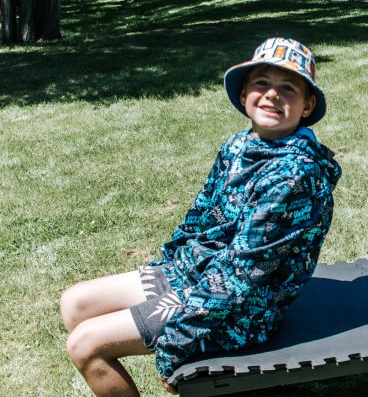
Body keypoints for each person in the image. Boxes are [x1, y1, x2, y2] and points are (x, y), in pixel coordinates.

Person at [60, 38, 342, 396]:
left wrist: (176, 343)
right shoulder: (239, 145)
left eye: (288, 88)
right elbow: (200, 217)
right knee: (75, 303)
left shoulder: (294, 177)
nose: (272, 94)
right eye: (262, 83)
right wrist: (167, 266)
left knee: (86, 346)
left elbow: (241, 277)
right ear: (244, 95)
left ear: (307, 105)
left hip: (243, 312)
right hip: (198, 274)